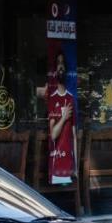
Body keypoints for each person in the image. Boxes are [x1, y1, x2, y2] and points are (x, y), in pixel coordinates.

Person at [46, 51, 76, 185]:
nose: (61, 66)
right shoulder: (52, 99)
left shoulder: (70, 99)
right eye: (58, 63)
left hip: (69, 165)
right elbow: (53, 135)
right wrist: (63, 118)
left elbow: (74, 135)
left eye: (63, 63)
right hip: (56, 163)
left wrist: (76, 167)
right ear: (55, 71)